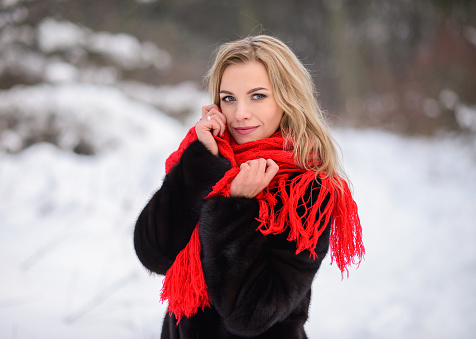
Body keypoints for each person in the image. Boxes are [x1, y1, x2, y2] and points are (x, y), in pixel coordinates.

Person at [134, 35, 364, 338]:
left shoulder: (308, 189)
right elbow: (155, 254)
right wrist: (199, 166)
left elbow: (252, 315)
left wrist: (234, 210)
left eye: (257, 96)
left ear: (287, 98)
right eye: (229, 98)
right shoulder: (209, 161)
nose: (240, 112)